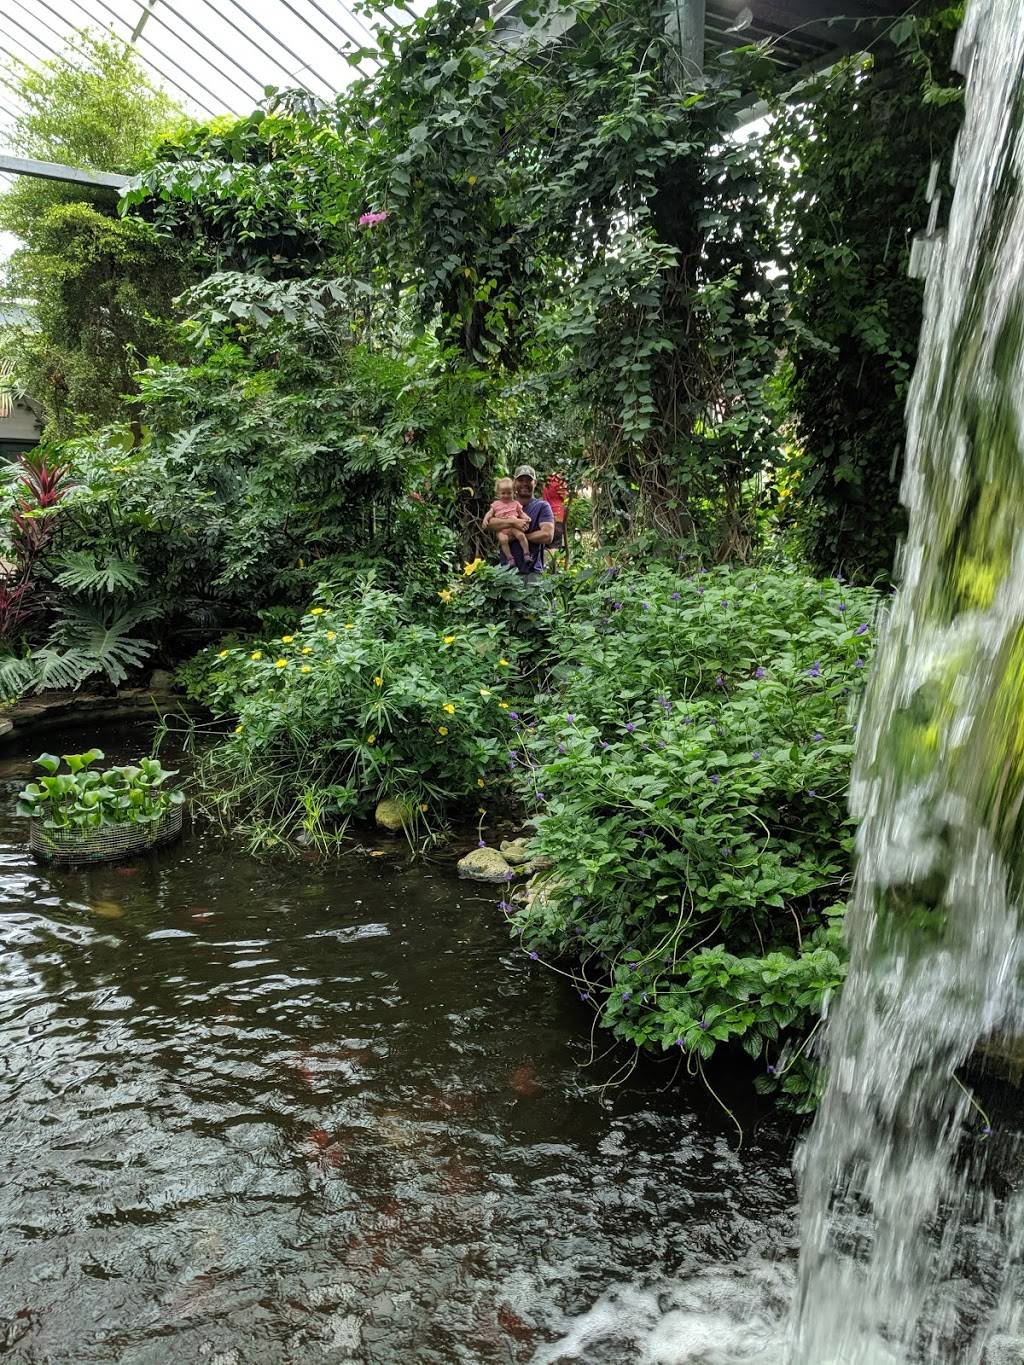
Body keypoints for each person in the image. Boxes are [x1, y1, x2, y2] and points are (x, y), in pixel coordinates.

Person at [504, 464, 555, 582]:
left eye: (529, 480)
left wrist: (520, 537)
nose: (524, 484)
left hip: (532, 573)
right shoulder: (504, 506)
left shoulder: (542, 506)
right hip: (505, 572)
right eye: (521, 480)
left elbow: (548, 535)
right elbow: (491, 525)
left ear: (535, 483)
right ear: (514, 482)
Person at [481, 476, 533, 566]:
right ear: (498, 493)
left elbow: (521, 513)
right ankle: (509, 557)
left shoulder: (515, 503)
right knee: (503, 539)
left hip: (513, 528)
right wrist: (485, 519)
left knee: (521, 535)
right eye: (503, 493)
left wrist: (527, 518)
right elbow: (489, 514)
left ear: (514, 492)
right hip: (502, 529)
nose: (506, 495)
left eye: (509, 493)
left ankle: (526, 553)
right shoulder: (496, 504)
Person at [542, 470, 569, 563]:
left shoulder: (547, 482)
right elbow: (565, 496)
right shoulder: (560, 482)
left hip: (546, 515)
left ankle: (546, 568)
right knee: (555, 545)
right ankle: (554, 569)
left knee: (546, 544)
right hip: (558, 514)